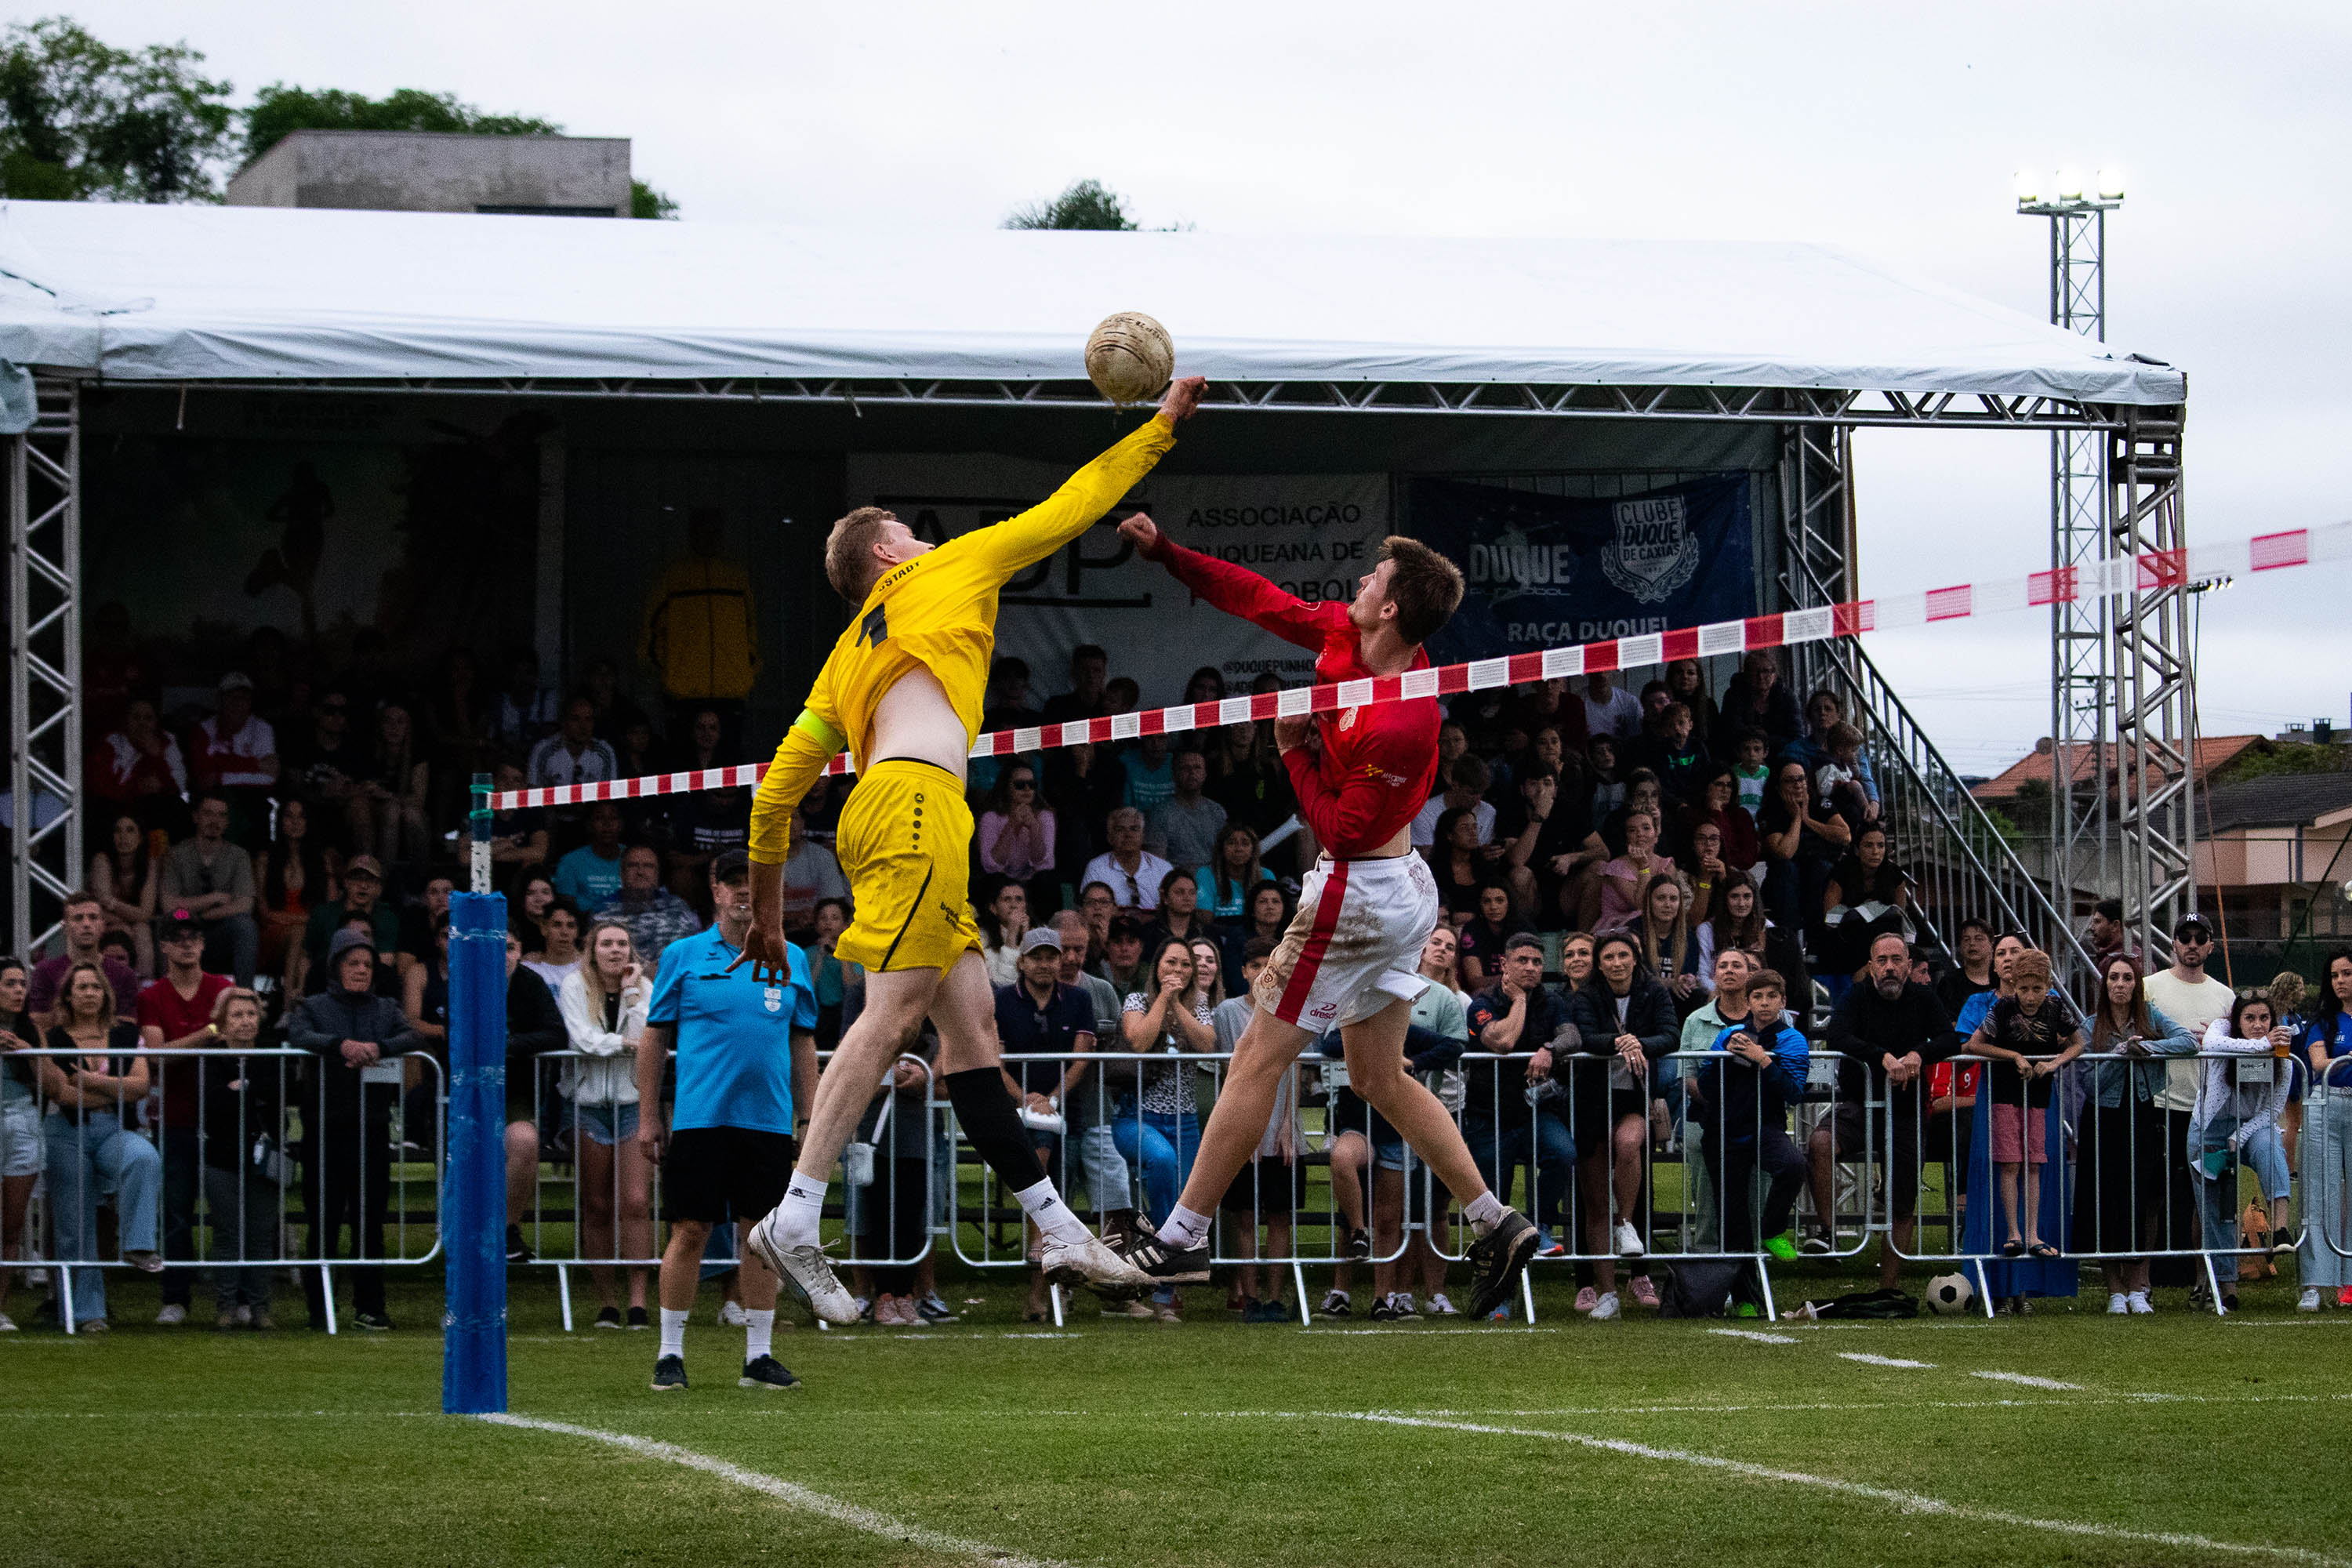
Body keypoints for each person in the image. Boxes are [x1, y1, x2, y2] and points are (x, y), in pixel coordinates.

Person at [737, 382, 1207, 1323]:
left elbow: (779, 785)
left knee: (972, 1041)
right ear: (883, 554)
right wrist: (1158, 429)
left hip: (886, 808)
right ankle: (795, 1213)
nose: (920, 535)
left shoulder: (846, 652)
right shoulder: (942, 570)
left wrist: (761, 909)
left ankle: (1061, 1229)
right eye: (907, 530)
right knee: (893, 1013)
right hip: (918, 806)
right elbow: (1070, 506)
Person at [1109, 505, 1540, 1318]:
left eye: (1370, 579)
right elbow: (1258, 598)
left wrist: (1292, 751)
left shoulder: (1407, 717)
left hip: (1362, 886)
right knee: (1379, 1075)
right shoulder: (1347, 637)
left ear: (1390, 610)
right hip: (1394, 887)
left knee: (1255, 1060)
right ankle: (1497, 1220)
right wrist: (1168, 553)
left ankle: (1180, 1235)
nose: (1356, 584)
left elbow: (1341, 827)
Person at [636, 850, 818, 1387]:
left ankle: (758, 1357)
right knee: (689, 1229)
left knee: (761, 1238)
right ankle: (670, 1354)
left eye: (753, 884)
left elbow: (803, 1042)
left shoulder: (793, 959)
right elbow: (654, 1039)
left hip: (766, 1122)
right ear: (715, 891)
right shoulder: (683, 955)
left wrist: (809, 1119)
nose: (744, 892)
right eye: (734, 882)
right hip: (699, 1118)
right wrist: (649, 1115)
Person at [1809, 932, 1957, 1285]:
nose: (1889, 967)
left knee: (1902, 1199)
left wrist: (1920, 1054)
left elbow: (1950, 1038)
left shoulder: (1923, 996)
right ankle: (1828, 1235)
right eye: (1882, 961)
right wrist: (1883, 1057)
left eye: (1896, 960)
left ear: (1908, 964)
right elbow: (1838, 1036)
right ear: (1871, 965)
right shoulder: (1856, 995)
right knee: (1819, 1143)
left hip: (1907, 1110)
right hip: (1859, 1104)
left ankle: (1888, 1286)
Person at [285, 930, 415, 1330]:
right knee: (322, 1221)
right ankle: (319, 1310)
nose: (360, 970)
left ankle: (370, 1307)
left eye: (366, 964)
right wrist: (340, 1045)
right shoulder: (313, 1005)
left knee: (369, 1221)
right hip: (324, 1127)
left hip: (372, 1128)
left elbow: (410, 1034)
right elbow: (298, 1034)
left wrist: (380, 1048)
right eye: (352, 963)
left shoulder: (386, 1007)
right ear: (336, 966)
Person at [38, 961, 164, 1330]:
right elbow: (61, 1093)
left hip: (113, 1129)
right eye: (82, 988)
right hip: (65, 1130)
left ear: (106, 993)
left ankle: (138, 1243)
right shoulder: (54, 1038)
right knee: (75, 1224)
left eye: (96, 987)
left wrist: (89, 1080)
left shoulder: (127, 1034)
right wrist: (114, 1089)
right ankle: (87, 1312)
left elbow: (141, 1086)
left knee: (144, 1157)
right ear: (68, 996)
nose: (90, 994)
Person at [1562, 931, 1675, 1316]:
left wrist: (1639, 1044)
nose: (1616, 963)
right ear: (1600, 962)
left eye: (1623, 955)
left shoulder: (1654, 991)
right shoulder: (1585, 996)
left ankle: (1626, 1223)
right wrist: (1620, 1042)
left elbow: (1671, 1034)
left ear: (1634, 957)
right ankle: (1607, 1290)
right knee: (1594, 1200)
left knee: (1629, 1144)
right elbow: (1587, 1037)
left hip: (1634, 1097)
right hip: (1592, 1100)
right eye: (1608, 957)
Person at [2077, 955, 2198, 1314]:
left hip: (2143, 1114)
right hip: (2104, 1119)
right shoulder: (2089, 1026)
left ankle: (2137, 1286)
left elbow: (2187, 1042)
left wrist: (2147, 1048)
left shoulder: (2150, 1017)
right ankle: (2114, 1289)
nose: (2120, 984)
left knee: (2142, 1199)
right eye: (2113, 977)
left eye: (2127, 977)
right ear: (2104, 984)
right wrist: (2117, 1057)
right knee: (2106, 1202)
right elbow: (2090, 1083)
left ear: (2136, 984)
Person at [1459, 934, 1577, 1289]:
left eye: (1537, 962)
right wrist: (1519, 1001)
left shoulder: (1554, 1001)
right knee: (1496, 1200)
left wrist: (1550, 1049)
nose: (1530, 967)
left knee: (1563, 1153)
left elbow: (1573, 1037)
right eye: (1522, 961)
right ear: (1505, 965)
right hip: (1487, 1115)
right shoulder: (1481, 1002)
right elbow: (1503, 1041)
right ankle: (1497, 1294)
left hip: (1534, 1113)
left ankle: (1539, 1227)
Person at [993, 927, 1098, 1320]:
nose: (1045, 963)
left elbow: (1082, 1059)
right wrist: (1027, 1101)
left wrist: (1050, 1100)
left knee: (1057, 1197)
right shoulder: (1002, 1000)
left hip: (1066, 1112)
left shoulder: (1079, 999)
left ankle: (1043, 1294)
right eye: (1036, 956)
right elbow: (996, 1059)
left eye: (1050, 956)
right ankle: (1040, 1294)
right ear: (1021, 962)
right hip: (1013, 1110)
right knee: (1046, 1189)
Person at [135, 909, 233, 1325]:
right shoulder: (151, 996)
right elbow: (158, 1058)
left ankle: (233, 1299)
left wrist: (187, 1043)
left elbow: (240, 1037)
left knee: (229, 1212)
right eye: (178, 937)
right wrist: (212, 1032)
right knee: (176, 1213)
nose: (187, 943)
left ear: (204, 943)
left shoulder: (224, 987)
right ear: (164, 946)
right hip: (175, 1119)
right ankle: (175, 1297)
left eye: (194, 936)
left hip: (223, 1118)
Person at [1112, 935, 1218, 1319]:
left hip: (1185, 1122)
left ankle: (1162, 1299)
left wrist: (1180, 1005)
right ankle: (1139, 1281)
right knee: (1161, 1161)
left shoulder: (1201, 1005)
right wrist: (1163, 999)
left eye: (1185, 965)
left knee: (1180, 1211)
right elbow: (1138, 1041)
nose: (1178, 970)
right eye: (1171, 963)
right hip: (1137, 1117)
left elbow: (1207, 1044)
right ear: (1157, 966)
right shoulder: (1138, 1001)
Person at [1690, 967, 1808, 1308]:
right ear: (1748, 1001)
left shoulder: (1792, 1039)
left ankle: (1772, 1230)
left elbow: (1794, 1092)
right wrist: (1728, 1053)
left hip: (1764, 1128)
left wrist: (1763, 1061)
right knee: (1734, 1221)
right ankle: (1745, 1300)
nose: (1765, 1003)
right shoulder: (1729, 1034)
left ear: (1783, 1001)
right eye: (1758, 996)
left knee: (1793, 1165)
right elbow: (1707, 1086)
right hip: (1723, 1131)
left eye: (1772, 996)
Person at [558, 919, 654, 1330]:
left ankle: (637, 1303)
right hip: (588, 1104)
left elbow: (648, 1038)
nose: (615, 951)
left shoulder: (644, 989)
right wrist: (625, 1046)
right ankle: (606, 1303)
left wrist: (632, 995)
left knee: (635, 1202)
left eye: (623, 944)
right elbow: (583, 1040)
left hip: (633, 1103)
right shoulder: (573, 986)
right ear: (592, 949)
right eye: (607, 944)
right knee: (596, 1205)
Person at [1965, 949, 2085, 1263]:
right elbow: (1973, 1044)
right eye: (2024, 989)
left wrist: (2054, 1063)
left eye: (2037, 989)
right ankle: (2013, 1232)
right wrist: (2013, 1056)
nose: (2030, 997)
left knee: (2034, 1162)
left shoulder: (2055, 1007)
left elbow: (2079, 1043)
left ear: (2047, 986)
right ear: (2014, 985)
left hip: (2039, 1096)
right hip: (2006, 1093)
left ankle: (2032, 1235)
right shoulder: (2003, 1008)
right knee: (2010, 1162)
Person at [2143, 913, 2237, 1298]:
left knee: (2207, 1198)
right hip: (2158, 1106)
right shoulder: (2149, 988)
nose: (2193, 944)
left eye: (2201, 938)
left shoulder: (2226, 997)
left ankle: (2204, 1279)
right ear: (2174, 944)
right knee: (2150, 1196)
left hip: (2209, 1113)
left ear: (2211, 946)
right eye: (2186, 937)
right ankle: (2141, 1282)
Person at [2187, 993, 2293, 1314]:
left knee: (2270, 1145)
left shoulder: (2283, 1054)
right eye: (2250, 1019)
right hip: (2209, 1128)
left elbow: (2274, 1109)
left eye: (2264, 1019)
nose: (2259, 1026)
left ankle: (2280, 1228)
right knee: (2218, 1207)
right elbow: (2211, 1045)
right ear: (2237, 1021)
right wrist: (2265, 1046)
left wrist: (2241, 1135)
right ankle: (2226, 1286)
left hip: (2251, 1125)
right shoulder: (2221, 1029)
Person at [1047, 910, 1138, 1261]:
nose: (1072, 958)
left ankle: (1118, 1281)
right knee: (1057, 1200)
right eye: (1065, 949)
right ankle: (1060, 1285)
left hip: (1099, 1110)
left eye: (1080, 950)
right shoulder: (1037, 992)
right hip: (1052, 1115)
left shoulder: (1103, 992)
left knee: (1116, 1196)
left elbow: (1121, 1055)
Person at [641, 505, 761, 745]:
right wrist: (672, 674)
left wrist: (747, 670)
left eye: (714, 532)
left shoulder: (736, 579)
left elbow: (751, 633)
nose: (709, 537)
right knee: (683, 771)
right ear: (691, 534)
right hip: (684, 695)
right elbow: (650, 637)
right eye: (703, 531)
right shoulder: (674, 579)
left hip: (731, 692)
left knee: (730, 770)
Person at [198, 988, 281, 1330]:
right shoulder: (212, 1059)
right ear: (223, 1023)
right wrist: (250, 1090)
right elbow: (214, 1103)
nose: (246, 1021)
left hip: (264, 1158)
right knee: (228, 1235)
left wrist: (242, 1086)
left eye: (251, 1015)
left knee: (262, 1234)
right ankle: (227, 1306)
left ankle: (261, 1307)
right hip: (222, 1157)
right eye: (237, 1015)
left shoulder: (273, 1055)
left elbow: (278, 1094)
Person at [499, 932, 568, 1263]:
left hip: (515, 1090)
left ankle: (508, 1230)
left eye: (510, 947)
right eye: (496, 948)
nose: (504, 956)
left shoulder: (531, 982)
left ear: (521, 951)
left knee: (525, 1141)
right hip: (462, 1090)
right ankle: (465, 1232)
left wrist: (510, 1046)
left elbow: (556, 1032)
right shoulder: (465, 979)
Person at [158, 794, 259, 985]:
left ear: (227, 822)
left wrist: (202, 915)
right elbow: (169, 905)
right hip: (184, 924)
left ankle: (244, 996)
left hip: (220, 931)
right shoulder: (177, 854)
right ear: (196, 817)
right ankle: (167, 994)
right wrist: (216, 897)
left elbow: (245, 904)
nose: (215, 820)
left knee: (245, 926)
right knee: (167, 921)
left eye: (221, 815)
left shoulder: (238, 856)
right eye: (209, 813)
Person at [2299, 950, 2352, 1311]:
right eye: (2334, 975)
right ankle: (2315, 1284)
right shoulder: (2323, 1021)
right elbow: (2319, 1064)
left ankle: (2348, 1285)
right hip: (2328, 1104)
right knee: (2321, 1195)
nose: (2340, 981)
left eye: (2347, 973)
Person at [1755, 760, 1850, 939]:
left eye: (1801, 779)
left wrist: (1808, 819)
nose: (1798, 785)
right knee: (1787, 869)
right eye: (1790, 781)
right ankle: (1792, 937)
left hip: (1818, 873)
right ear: (1778, 786)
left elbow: (1845, 835)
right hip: (1784, 877)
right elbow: (1785, 852)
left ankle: (1817, 940)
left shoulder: (1820, 803)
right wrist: (1797, 819)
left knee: (1821, 868)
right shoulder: (1770, 812)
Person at [186, 672, 281, 848]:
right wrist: (253, 765)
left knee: (260, 810)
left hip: (252, 797)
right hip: (214, 796)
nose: (238, 704)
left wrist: (221, 775)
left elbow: (269, 779)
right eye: (232, 698)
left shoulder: (262, 729)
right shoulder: (203, 730)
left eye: (243, 698)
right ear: (220, 701)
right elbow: (203, 778)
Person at [0, 958, 42, 1332]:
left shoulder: (31, 1030)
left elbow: (54, 1084)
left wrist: (28, 1052)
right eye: (10, 983)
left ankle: (0, 1308)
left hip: (22, 1122)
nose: (18, 991)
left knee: (10, 1225)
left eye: (21, 984)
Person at [27, 891, 140, 1024]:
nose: (86, 924)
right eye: (78, 918)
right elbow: (37, 1024)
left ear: (103, 925)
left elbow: (128, 1026)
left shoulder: (124, 974)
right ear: (65, 926)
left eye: (93, 917)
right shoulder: (44, 972)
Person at [252, 797, 332, 988]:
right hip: (273, 935)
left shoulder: (322, 861)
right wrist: (305, 920)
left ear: (308, 822)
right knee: (300, 933)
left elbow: (328, 912)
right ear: (280, 821)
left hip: (309, 934)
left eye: (301, 817)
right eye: (289, 816)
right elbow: (265, 914)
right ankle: (290, 1008)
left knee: (311, 936)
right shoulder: (265, 859)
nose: (295, 822)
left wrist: (305, 923)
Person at [296, 855, 400, 996]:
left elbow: (385, 960)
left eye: (370, 880)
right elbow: (306, 956)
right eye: (357, 879)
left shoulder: (388, 918)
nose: (363, 885)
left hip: (368, 985)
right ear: (346, 882)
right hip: (323, 981)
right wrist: (301, 988)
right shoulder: (323, 913)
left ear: (379, 888)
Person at [89, 696, 189, 840]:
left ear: (156, 722)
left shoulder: (167, 741)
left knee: (173, 807)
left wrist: (155, 756)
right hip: (119, 809)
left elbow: (181, 787)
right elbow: (99, 788)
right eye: (136, 717)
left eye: (148, 718)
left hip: (153, 811)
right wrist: (137, 788)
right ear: (126, 720)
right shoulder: (111, 742)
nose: (142, 724)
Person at [593, 844, 702, 967]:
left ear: (657, 874)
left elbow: (693, 955)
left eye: (648, 866)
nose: (640, 872)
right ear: (622, 873)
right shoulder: (602, 911)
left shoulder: (679, 908)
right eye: (633, 866)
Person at [361, 700, 432, 872]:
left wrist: (388, 796)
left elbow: (418, 800)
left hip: (405, 815)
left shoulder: (417, 756)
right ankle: (381, 881)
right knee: (391, 811)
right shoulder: (369, 751)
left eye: (400, 722)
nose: (394, 727)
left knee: (411, 814)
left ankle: (419, 882)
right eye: (388, 721)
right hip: (374, 813)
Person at [91, 813, 159, 978]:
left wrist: (113, 904)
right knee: (128, 930)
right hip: (102, 921)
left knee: (142, 931)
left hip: (136, 924)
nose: (123, 837)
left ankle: (144, 985)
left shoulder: (149, 863)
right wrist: (127, 922)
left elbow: (146, 912)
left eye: (130, 831)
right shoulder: (102, 860)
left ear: (140, 837)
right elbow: (100, 906)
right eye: (118, 831)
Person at [1594, 806, 1675, 935]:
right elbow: (1641, 905)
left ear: (1656, 835)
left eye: (1646, 828)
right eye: (1632, 830)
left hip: (1655, 928)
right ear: (1627, 838)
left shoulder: (1666, 865)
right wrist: (1644, 867)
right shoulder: (1616, 867)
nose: (1640, 834)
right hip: (1615, 930)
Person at [978, 761, 1057, 887]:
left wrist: (1034, 827)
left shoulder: (1045, 816)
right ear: (1006, 787)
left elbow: (1043, 862)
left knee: (1046, 879)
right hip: (1000, 882)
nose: (1027, 789)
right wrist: (1012, 825)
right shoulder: (991, 817)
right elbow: (991, 865)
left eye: (1032, 785)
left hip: (1034, 881)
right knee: (995, 879)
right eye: (1020, 785)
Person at [1148, 749, 1228, 872]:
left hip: (1212, 881)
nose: (1192, 773)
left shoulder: (1217, 812)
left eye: (1197, 768)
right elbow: (1157, 863)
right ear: (1174, 774)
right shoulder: (1160, 814)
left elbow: (1224, 856)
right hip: (1176, 882)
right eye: (1185, 768)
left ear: (1205, 774)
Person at [1083, 807, 1174, 913]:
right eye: (1120, 830)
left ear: (1143, 836)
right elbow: (1091, 911)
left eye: (1134, 829)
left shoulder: (1163, 868)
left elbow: (1173, 910)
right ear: (1110, 838)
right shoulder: (1097, 868)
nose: (1128, 835)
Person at [551, 802, 629, 909]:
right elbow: (567, 911)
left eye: (613, 818)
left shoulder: (634, 857)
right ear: (589, 825)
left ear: (621, 825)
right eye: (599, 818)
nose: (607, 823)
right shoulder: (570, 862)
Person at [1198, 822, 1273, 924]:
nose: (1238, 849)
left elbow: (1273, 919)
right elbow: (1205, 920)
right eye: (1231, 843)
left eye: (1245, 843)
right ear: (1222, 848)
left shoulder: (1266, 876)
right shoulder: (1206, 874)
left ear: (1253, 850)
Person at [1936, 917, 1998, 1018]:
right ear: (1960, 947)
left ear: (1991, 944)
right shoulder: (1949, 982)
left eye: (1979, 938)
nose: (1972, 943)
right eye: (1966, 939)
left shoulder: (2002, 978)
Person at [1581, 670, 1643, 743]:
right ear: (1588, 672)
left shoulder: (1630, 703)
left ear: (1612, 671)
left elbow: (1638, 738)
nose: (1602, 675)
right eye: (1596, 670)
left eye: (1606, 669)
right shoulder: (1578, 703)